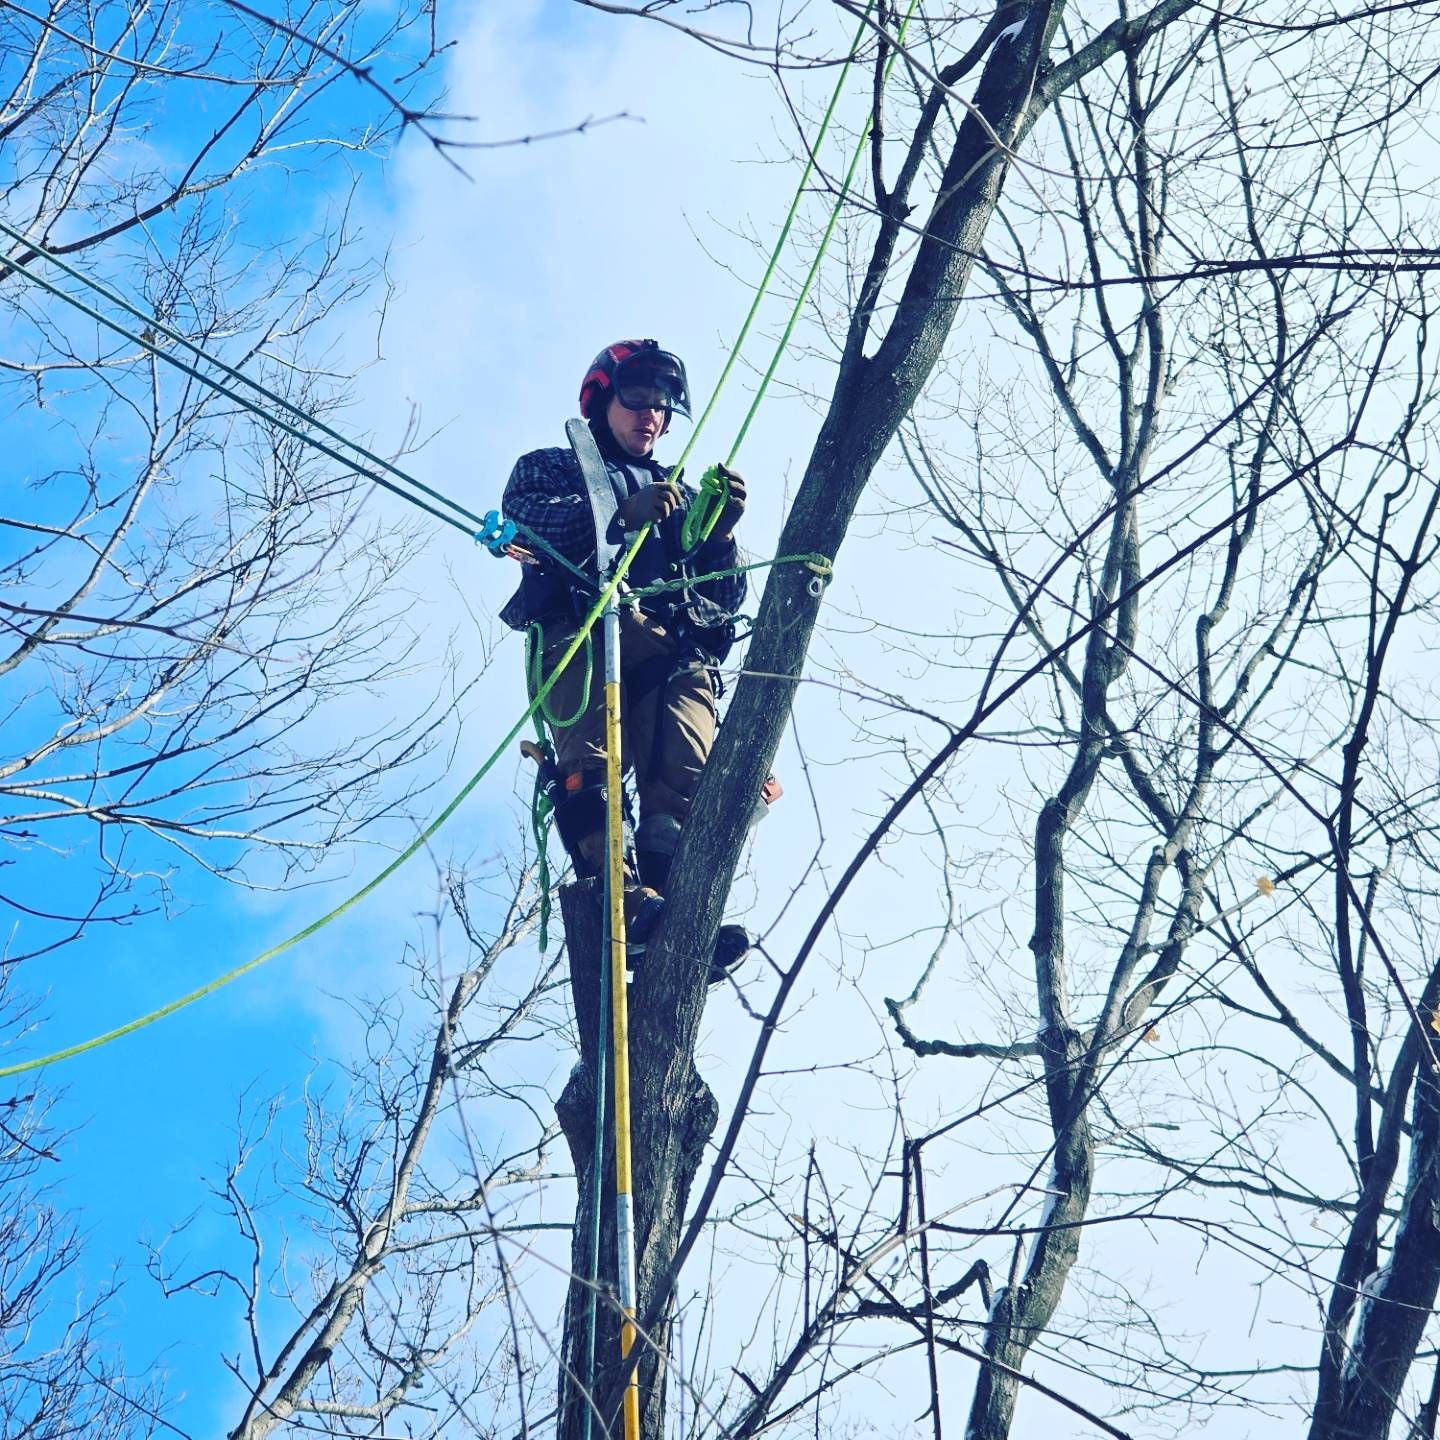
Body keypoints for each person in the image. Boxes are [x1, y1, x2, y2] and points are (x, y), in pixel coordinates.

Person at [500, 339, 748, 946]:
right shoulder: (553, 466)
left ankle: (678, 910)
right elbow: (525, 518)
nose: (651, 418)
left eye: (662, 407)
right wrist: (615, 516)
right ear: (601, 400)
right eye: (637, 401)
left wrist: (717, 541)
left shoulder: (681, 493)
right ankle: (622, 898)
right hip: (583, 630)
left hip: (671, 644)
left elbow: (727, 595)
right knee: (594, 767)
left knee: (686, 768)